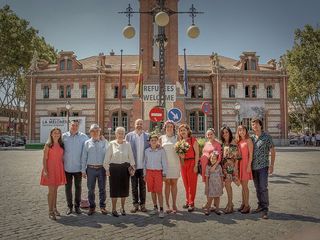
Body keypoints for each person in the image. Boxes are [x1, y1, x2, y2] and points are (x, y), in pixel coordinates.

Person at [104, 127, 135, 217]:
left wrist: (133, 168)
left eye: (122, 133)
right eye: (119, 133)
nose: (121, 135)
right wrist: (107, 169)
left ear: (124, 134)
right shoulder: (111, 144)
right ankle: (113, 209)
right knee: (114, 190)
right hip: (114, 169)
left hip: (125, 169)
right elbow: (106, 158)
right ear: (116, 134)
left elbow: (131, 157)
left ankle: (122, 208)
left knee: (124, 189)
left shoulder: (127, 144)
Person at [81, 124, 109, 216]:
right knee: (90, 190)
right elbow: (84, 157)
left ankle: (102, 206)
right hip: (90, 169)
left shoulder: (104, 142)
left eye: (97, 130)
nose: (95, 132)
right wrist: (83, 170)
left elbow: (108, 154)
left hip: (101, 169)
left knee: (102, 189)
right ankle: (92, 207)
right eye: (93, 130)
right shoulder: (87, 143)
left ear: (100, 132)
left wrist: (105, 141)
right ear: (90, 132)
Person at [251, 118, 276, 219]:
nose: (255, 126)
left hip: (263, 167)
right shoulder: (252, 138)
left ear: (261, 125)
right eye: (253, 125)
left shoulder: (267, 137)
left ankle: (265, 209)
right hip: (253, 167)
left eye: (256, 124)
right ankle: (260, 205)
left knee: (263, 187)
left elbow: (273, 151)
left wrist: (272, 165)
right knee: (257, 188)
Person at [62, 120, 89, 215]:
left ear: (79, 127)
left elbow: (87, 152)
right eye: (73, 125)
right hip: (66, 168)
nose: (74, 127)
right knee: (67, 188)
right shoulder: (64, 136)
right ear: (69, 125)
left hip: (78, 168)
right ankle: (69, 207)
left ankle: (77, 206)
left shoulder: (84, 137)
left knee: (78, 187)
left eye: (76, 125)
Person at [40, 127, 67, 220]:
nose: (56, 134)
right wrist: (45, 170)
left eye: (58, 133)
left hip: (58, 169)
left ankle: (55, 208)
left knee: (55, 191)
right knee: (51, 192)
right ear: (51, 134)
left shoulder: (61, 144)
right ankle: (50, 211)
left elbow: (62, 158)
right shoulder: (48, 145)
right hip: (50, 170)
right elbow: (44, 159)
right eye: (55, 133)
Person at [125, 119, 149, 213]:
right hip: (133, 166)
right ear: (134, 124)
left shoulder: (147, 136)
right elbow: (125, 149)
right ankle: (135, 205)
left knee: (143, 187)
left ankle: (143, 205)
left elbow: (152, 146)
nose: (139, 125)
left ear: (143, 125)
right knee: (134, 186)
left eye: (141, 124)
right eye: (137, 123)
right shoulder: (129, 136)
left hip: (143, 166)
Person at [144, 134, 168, 218]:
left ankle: (161, 209)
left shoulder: (161, 151)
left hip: (158, 173)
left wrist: (164, 174)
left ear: (157, 141)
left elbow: (164, 162)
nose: (153, 142)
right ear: (149, 142)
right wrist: (145, 174)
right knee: (152, 191)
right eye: (152, 140)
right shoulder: (147, 151)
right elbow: (145, 163)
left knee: (159, 191)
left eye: (155, 140)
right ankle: (155, 208)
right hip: (149, 172)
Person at [159, 120, 180, 214]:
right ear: (165, 128)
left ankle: (174, 204)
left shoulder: (177, 137)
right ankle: (167, 205)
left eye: (171, 126)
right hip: (165, 165)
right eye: (167, 126)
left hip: (175, 163)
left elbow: (181, 150)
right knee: (167, 184)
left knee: (174, 183)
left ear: (173, 128)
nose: (169, 128)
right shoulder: (161, 138)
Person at [178, 123, 199, 212]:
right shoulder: (179, 142)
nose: (183, 132)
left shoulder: (192, 140)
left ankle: (191, 203)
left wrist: (196, 165)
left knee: (192, 184)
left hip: (192, 162)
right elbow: (179, 155)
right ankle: (187, 201)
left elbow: (197, 153)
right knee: (186, 184)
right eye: (181, 130)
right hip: (183, 164)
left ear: (188, 131)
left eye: (184, 130)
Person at [220, 126, 241, 214]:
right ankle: (230, 204)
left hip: (230, 167)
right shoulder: (223, 143)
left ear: (229, 133)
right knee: (226, 185)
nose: (225, 134)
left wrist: (235, 168)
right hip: (224, 167)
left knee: (228, 185)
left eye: (226, 132)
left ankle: (230, 205)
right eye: (223, 133)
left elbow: (236, 157)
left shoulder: (233, 143)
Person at [199, 128, 222, 209]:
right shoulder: (206, 143)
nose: (209, 136)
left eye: (211, 134)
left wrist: (214, 166)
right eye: (208, 134)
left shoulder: (217, 144)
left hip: (212, 168)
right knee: (207, 185)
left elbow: (219, 157)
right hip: (205, 168)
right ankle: (209, 203)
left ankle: (212, 204)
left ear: (214, 135)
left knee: (213, 185)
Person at [235, 125, 253, 214]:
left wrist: (249, 165)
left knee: (245, 186)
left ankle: (247, 205)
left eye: (243, 130)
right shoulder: (239, 141)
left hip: (246, 164)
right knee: (242, 186)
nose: (241, 132)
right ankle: (243, 203)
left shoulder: (248, 140)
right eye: (239, 130)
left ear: (246, 131)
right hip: (240, 164)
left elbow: (251, 154)